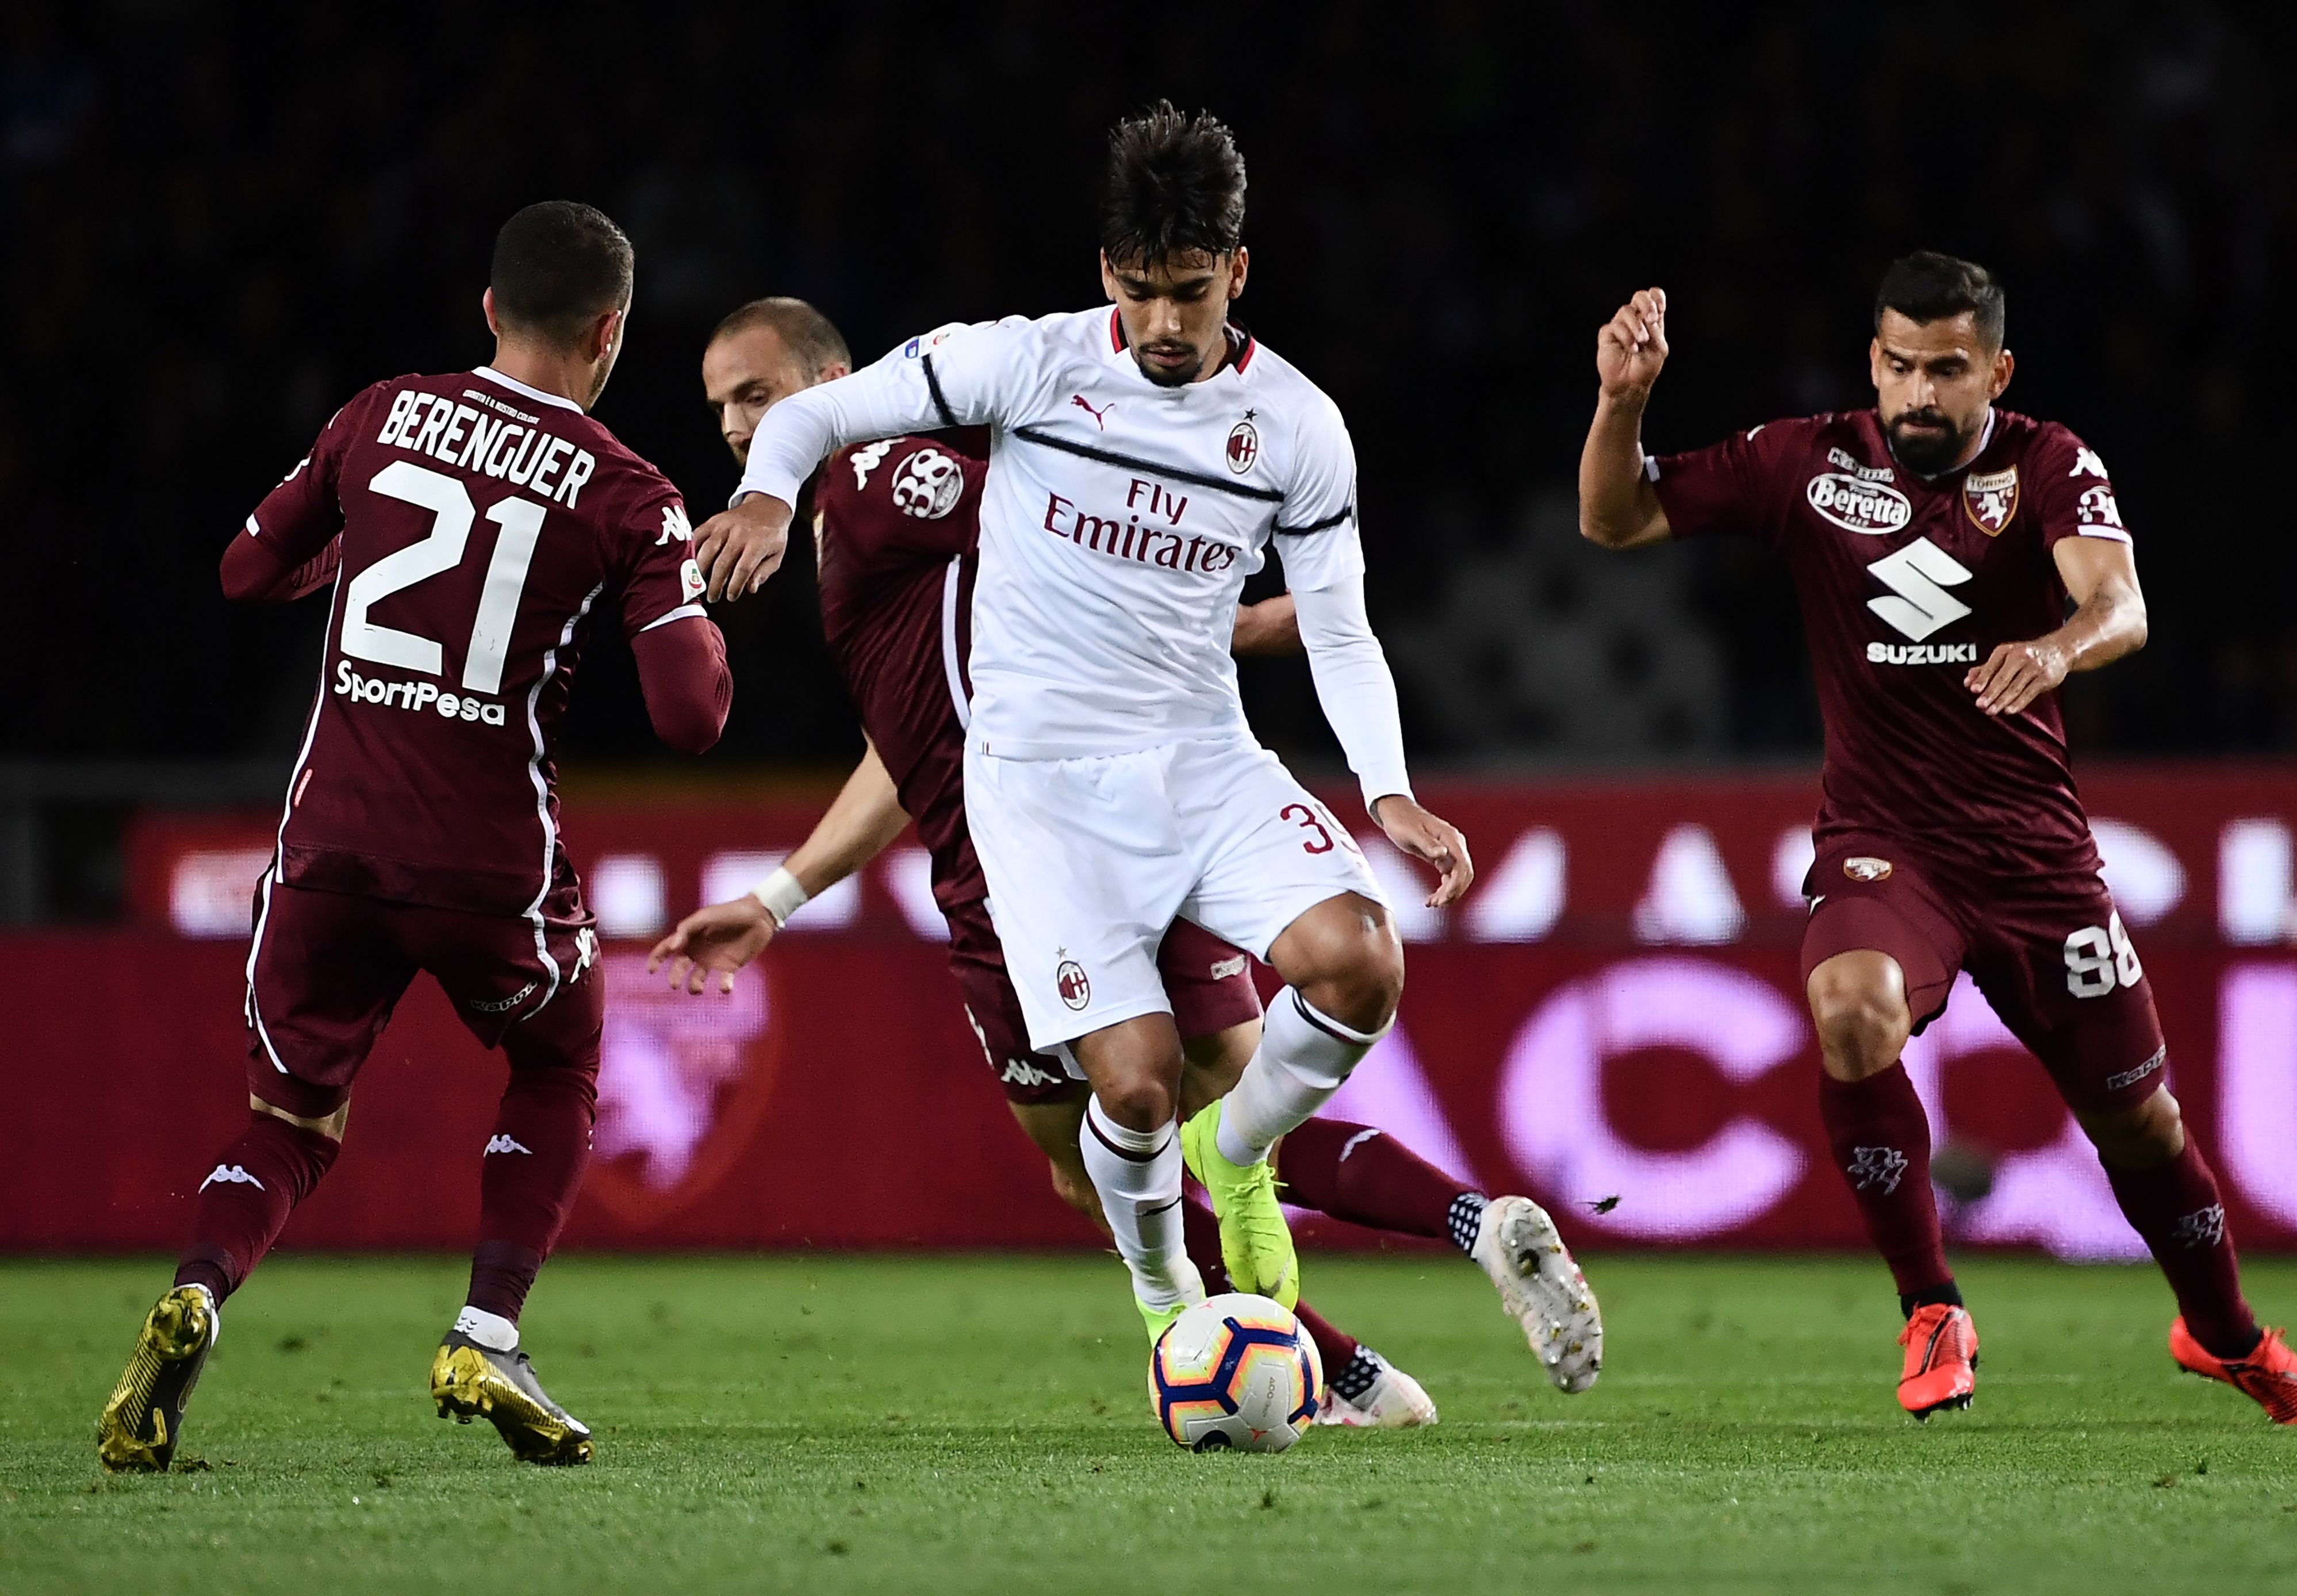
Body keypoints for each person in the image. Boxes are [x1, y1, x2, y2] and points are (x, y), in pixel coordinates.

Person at [646, 297, 1602, 1418]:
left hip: (1037, 860)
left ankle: (1315, 1357)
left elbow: (1075, 522)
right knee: (1200, 1123)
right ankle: (1454, 1239)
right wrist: (776, 896)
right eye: (720, 406)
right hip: (1074, 835)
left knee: (1127, 1139)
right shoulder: (853, 531)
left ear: (833, 379)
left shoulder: (887, 474)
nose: (734, 424)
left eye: (756, 396)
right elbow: (901, 752)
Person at [693, 102, 1497, 1358]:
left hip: (1202, 759)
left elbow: (1338, 627)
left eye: (1189, 293)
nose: (1165, 326)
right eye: (1139, 291)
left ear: (1237, 270)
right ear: (1103, 272)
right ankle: (1176, 1305)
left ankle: (1235, 1163)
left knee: (1360, 962)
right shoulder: (1028, 361)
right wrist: (759, 493)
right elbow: (814, 414)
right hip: (1043, 792)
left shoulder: (1297, 423)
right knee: (1125, 1088)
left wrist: (1386, 788)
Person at [1574, 252, 2297, 1428]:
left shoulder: (2046, 460)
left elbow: (2121, 604)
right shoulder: (1805, 460)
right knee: (1848, 1005)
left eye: (1946, 370)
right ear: (1872, 365)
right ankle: (1930, 1303)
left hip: (2037, 861)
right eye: (1898, 367)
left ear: (1994, 369)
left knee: (2138, 1122)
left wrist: (2054, 647)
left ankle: (2225, 1333)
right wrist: (1621, 400)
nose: (1919, 395)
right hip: (1886, 846)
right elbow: (1614, 515)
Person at [96, 202, 733, 1472]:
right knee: (555, 1064)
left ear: (489, 310)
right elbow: (692, 717)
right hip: (488, 865)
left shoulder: (377, 414)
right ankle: (485, 1329)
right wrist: (690, 596)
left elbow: (241, 571)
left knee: (289, 1117)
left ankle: (201, 1291)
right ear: (609, 332)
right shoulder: (631, 495)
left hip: (327, 845)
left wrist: (356, 566)